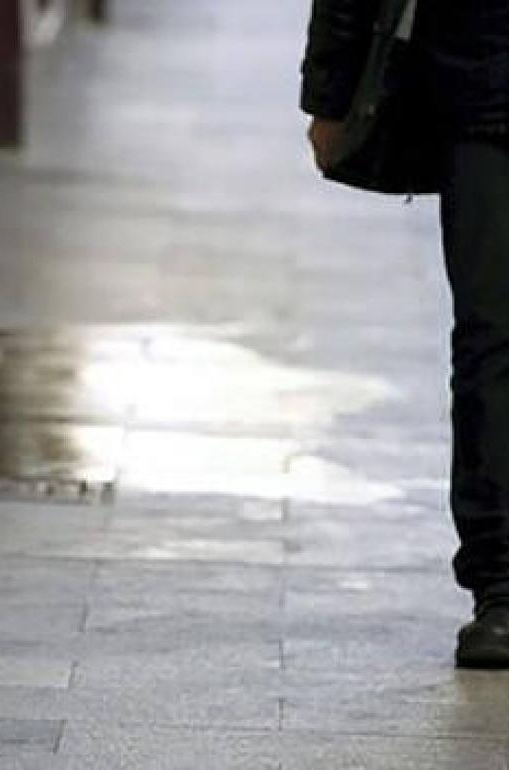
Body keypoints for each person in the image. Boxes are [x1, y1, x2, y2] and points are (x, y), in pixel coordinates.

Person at [302, 0, 509, 668]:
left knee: (492, 340)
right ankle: (502, 589)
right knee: (493, 335)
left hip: (478, 83)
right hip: (482, 92)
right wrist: (330, 89)